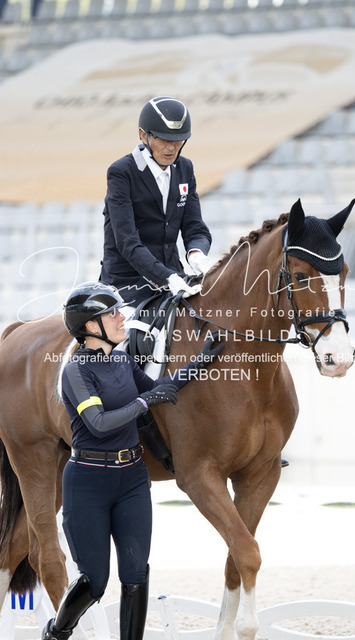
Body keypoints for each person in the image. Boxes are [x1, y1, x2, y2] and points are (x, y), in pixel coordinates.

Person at [42, 281, 224, 640]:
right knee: (95, 582)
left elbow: (160, 388)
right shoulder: (76, 371)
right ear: (90, 326)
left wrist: (201, 361)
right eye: (112, 314)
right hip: (89, 483)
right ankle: (55, 634)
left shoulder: (123, 361)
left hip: (132, 481)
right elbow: (99, 423)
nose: (121, 318)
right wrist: (144, 403)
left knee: (136, 575)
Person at [99, 96, 212, 306]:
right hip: (128, 284)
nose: (171, 148)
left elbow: (195, 227)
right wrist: (166, 277)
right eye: (163, 139)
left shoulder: (185, 168)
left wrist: (197, 253)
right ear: (144, 135)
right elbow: (127, 241)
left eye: (177, 140)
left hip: (175, 276)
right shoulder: (121, 172)